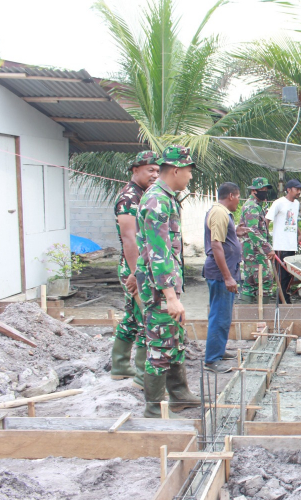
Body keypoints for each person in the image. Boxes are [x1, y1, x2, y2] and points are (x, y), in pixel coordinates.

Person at [136, 145, 200, 418]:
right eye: (188, 171)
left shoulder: (166, 197)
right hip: (159, 289)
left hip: (164, 286)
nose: (190, 177)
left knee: (174, 339)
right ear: (176, 170)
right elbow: (158, 252)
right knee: (161, 345)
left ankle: (179, 395)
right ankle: (153, 408)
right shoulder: (158, 201)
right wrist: (170, 296)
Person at [111, 150, 160, 388]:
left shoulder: (144, 194)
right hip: (134, 267)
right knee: (145, 319)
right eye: (150, 170)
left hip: (138, 266)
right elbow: (129, 238)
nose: (154, 174)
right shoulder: (130, 198)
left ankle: (120, 365)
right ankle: (143, 376)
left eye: (157, 171)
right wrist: (135, 273)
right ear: (135, 170)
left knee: (132, 316)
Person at [202, 182, 247, 374]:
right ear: (231, 196)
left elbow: (222, 239)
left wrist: (235, 234)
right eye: (238, 197)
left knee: (223, 315)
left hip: (224, 272)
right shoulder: (220, 213)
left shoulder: (221, 213)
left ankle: (218, 351)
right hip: (221, 274)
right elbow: (216, 245)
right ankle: (212, 360)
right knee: (219, 316)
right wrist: (228, 277)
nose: (238, 202)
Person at [266, 179, 301, 304]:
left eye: (300, 189)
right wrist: (267, 242)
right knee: (281, 276)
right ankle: (281, 301)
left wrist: (299, 233)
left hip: (291, 245)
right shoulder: (279, 203)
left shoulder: (296, 203)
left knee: (289, 275)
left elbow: (293, 220)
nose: (299, 191)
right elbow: (267, 220)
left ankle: (285, 298)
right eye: (296, 189)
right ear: (288, 189)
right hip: (280, 245)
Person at [238, 177, 274, 301]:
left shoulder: (256, 206)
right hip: (255, 251)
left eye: (265, 189)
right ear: (254, 190)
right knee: (265, 283)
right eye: (262, 189)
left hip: (252, 251)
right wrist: (268, 249)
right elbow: (253, 232)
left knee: (250, 283)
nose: (265, 192)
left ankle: (247, 315)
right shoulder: (252, 207)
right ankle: (263, 316)